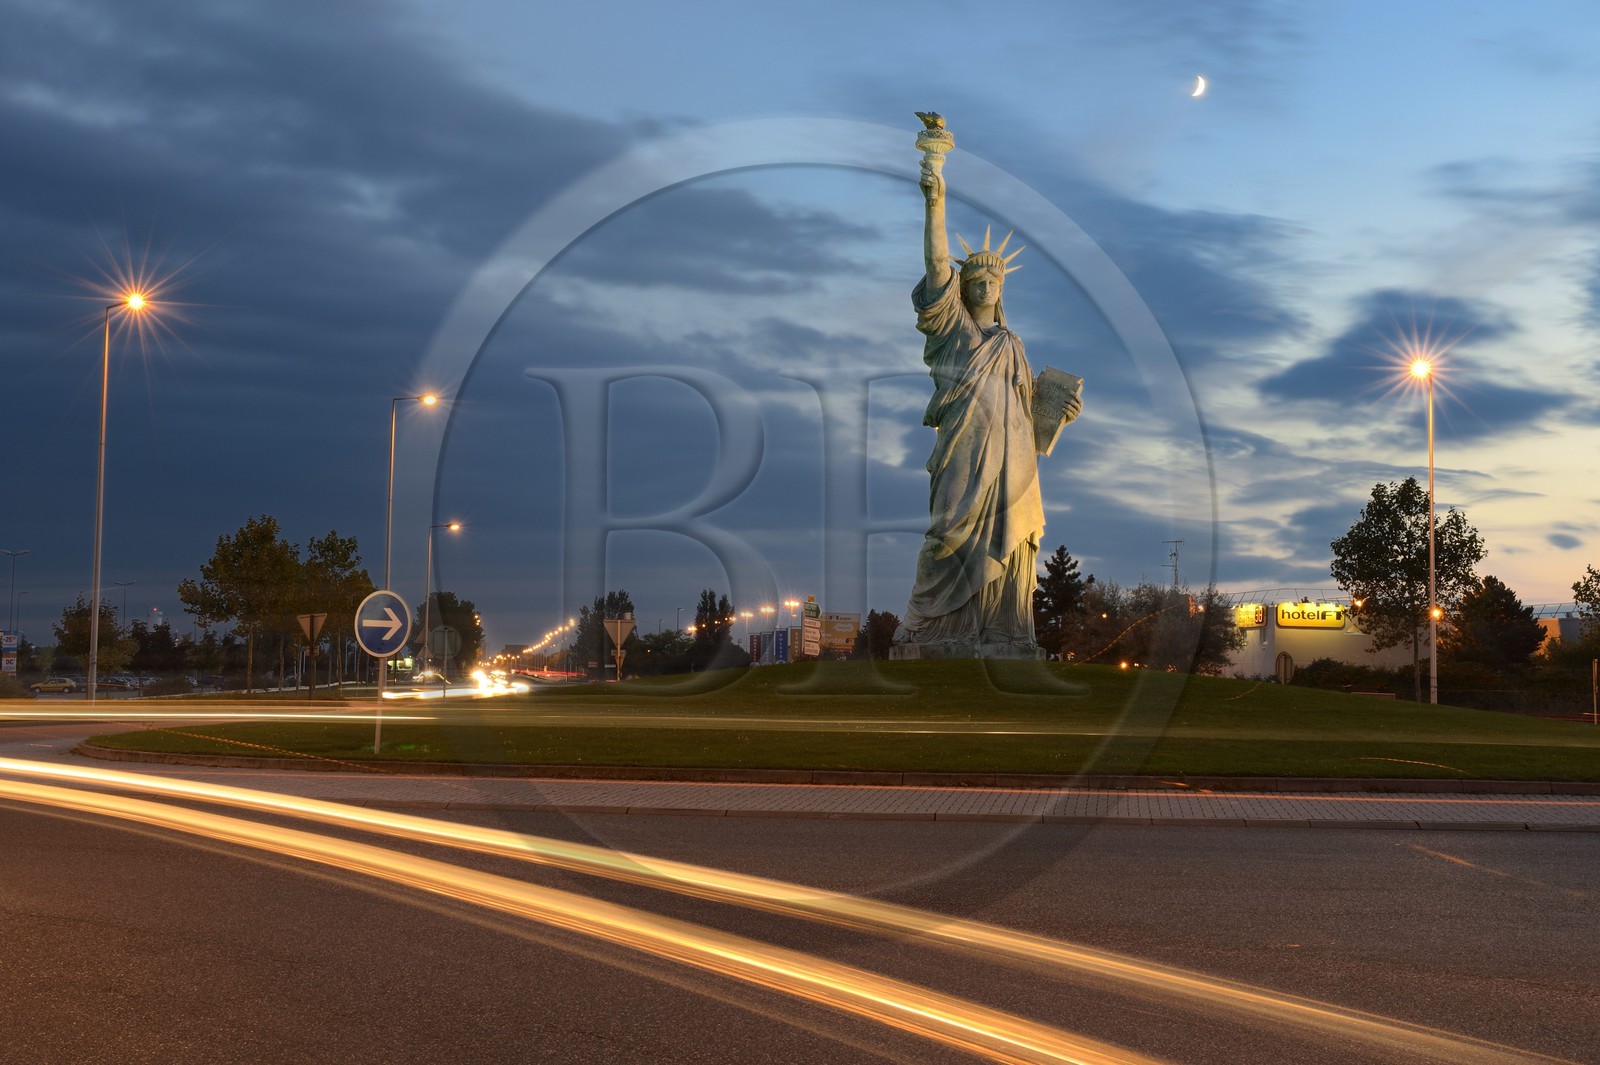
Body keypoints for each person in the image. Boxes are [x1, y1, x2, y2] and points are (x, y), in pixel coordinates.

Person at [893, 149, 1081, 657]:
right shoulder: (951, 329)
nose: (983, 285)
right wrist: (937, 191)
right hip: (962, 447)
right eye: (974, 280)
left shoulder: (1012, 343)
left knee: (1010, 539)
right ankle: (928, 626)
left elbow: (1028, 414)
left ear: (1001, 289)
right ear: (963, 286)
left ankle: (1002, 630)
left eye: (991, 281)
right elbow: (936, 262)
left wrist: (1057, 413)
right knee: (947, 534)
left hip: (1011, 460)